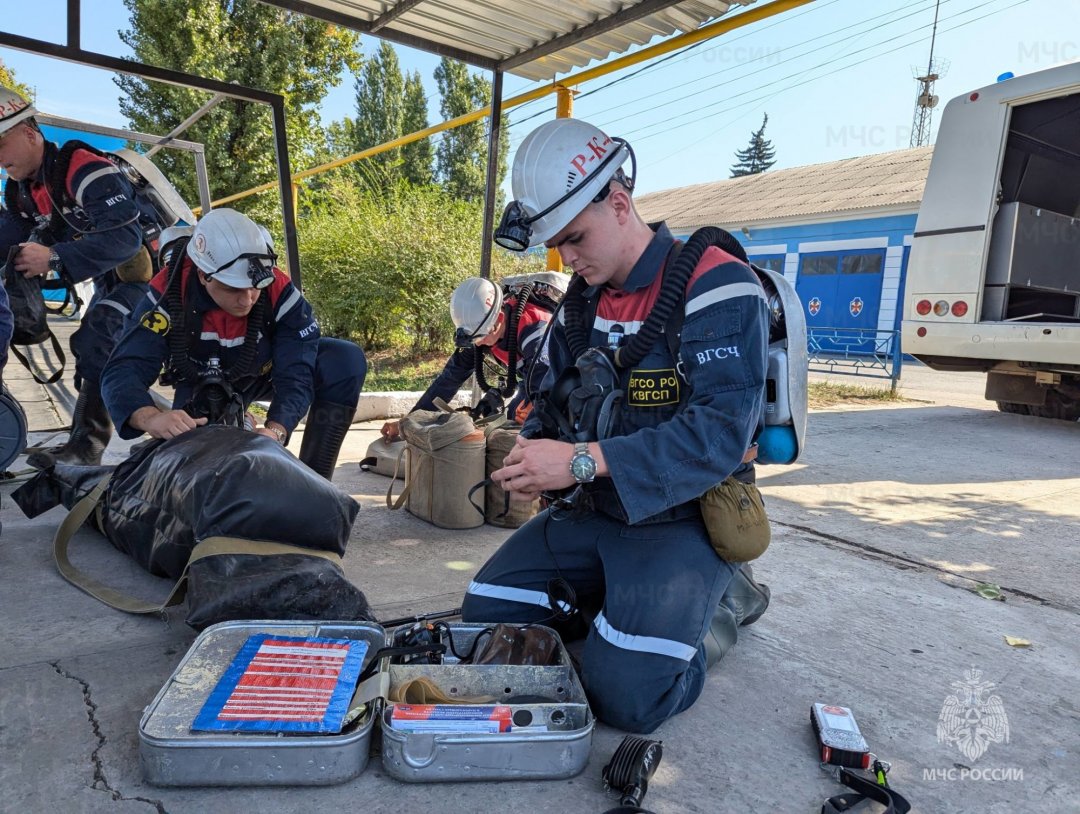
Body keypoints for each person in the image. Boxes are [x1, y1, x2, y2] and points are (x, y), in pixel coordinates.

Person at [459, 118, 773, 734]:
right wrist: (529, 451)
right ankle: (628, 612)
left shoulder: (716, 282)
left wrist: (577, 462)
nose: (569, 258)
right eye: (558, 247)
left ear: (620, 202)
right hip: (596, 513)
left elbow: (718, 436)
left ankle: (724, 601)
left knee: (626, 700)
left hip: (681, 517)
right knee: (485, 620)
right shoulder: (578, 304)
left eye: (575, 237)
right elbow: (550, 401)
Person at [101, 207, 366, 481]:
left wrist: (275, 430)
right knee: (196, 466)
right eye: (232, 288)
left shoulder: (278, 289)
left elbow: (296, 370)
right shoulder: (166, 293)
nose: (247, 299)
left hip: (263, 372)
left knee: (344, 360)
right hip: (198, 380)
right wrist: (151, 418)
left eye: (254, 287)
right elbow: (123, 369)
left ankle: (316, 480)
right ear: (204, 275)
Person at [0, 85, 155, 468]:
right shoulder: (19, 191)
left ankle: (87, 445)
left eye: (0, 143)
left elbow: (124, 238)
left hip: (153, 277)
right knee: (92, 343)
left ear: (30, 132)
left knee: (98, 336)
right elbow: (10, 239)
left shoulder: (85, 168)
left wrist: (52, 257)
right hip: (109, 276)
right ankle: (81, 438)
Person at [380, 275, 553, 442]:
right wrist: (409, 423)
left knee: (533, 424)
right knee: (513, 418)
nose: (478, 345)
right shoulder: (481, 329)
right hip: (532, 376)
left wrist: (536, 407)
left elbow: (548, 380)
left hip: (563, 379)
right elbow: (449, 379)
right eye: (474, 340)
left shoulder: (534, 330)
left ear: (499, 319)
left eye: (480, 338)